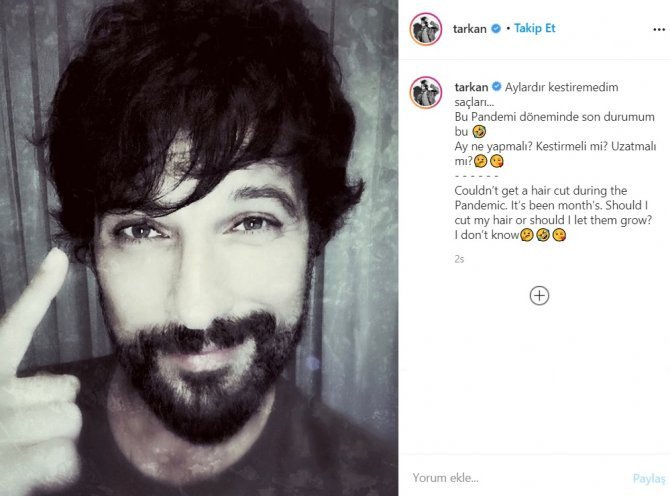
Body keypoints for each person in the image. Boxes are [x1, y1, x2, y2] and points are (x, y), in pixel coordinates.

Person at [0, 0, 397, 494]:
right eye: (143, 231)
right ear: (92, 248)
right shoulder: (10, 434)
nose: (195, 312)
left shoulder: (378, 482)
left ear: (314, 234)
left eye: (251, 222)